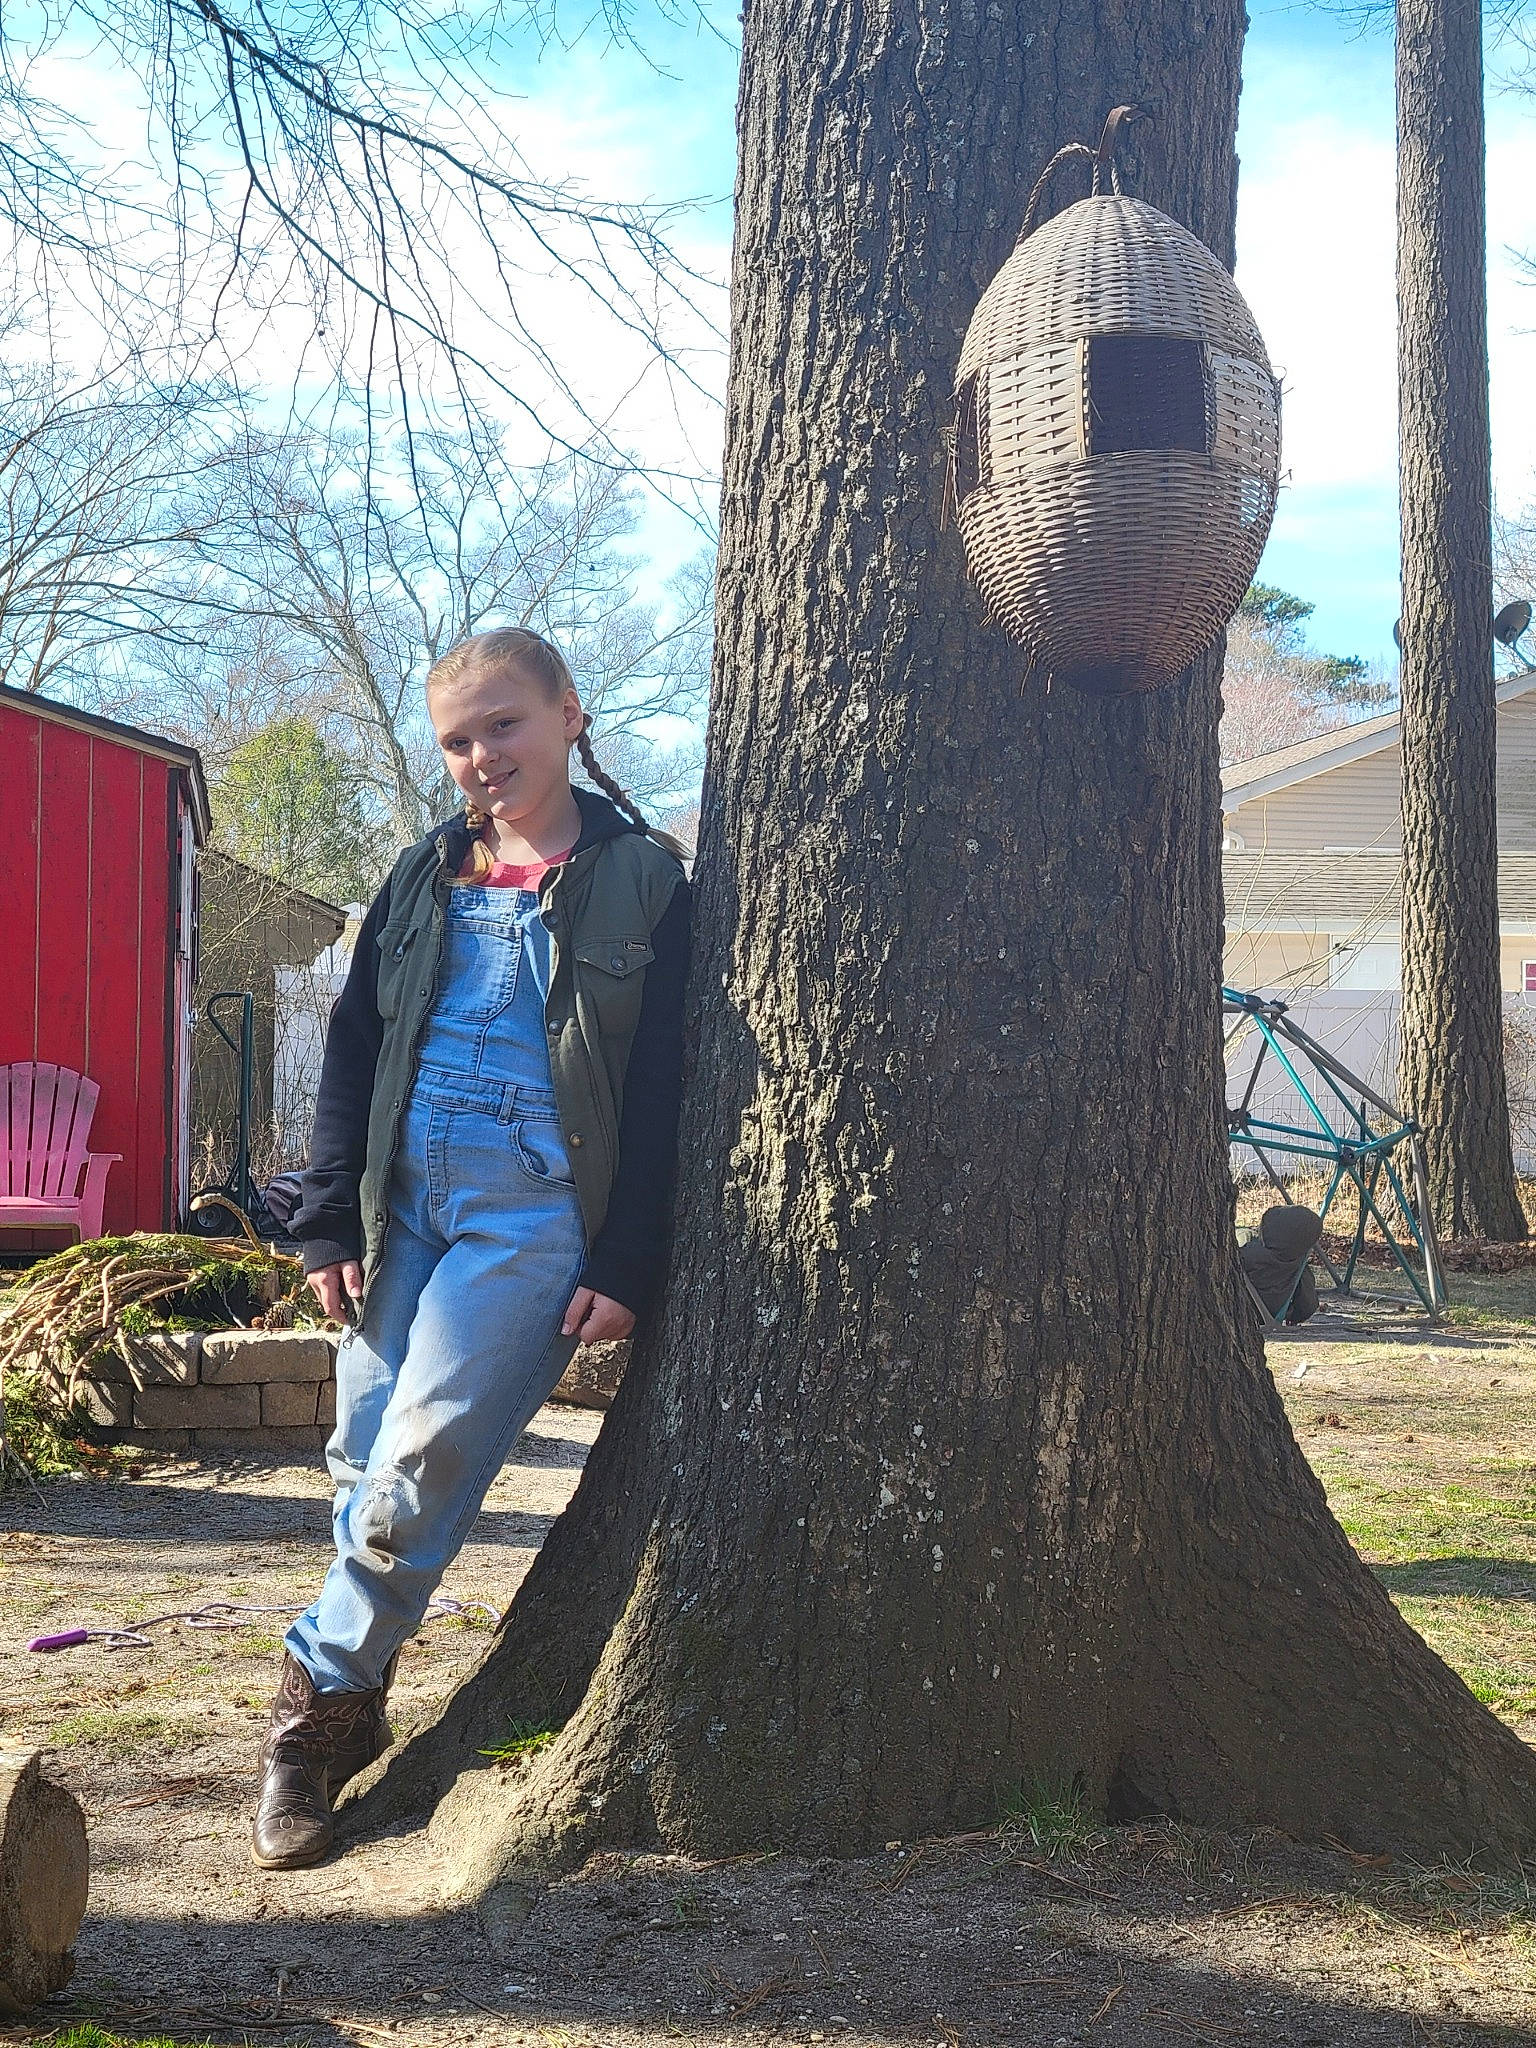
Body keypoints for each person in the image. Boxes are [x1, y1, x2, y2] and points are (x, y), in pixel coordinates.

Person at [251, 627, 691, 1870]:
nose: (482, 756)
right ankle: (362, 1696)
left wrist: (628, 1250)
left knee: (424, 1456)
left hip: (533, 1212)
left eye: (504, 723)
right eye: (457, 738)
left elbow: (662, 1084)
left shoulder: (646, 881)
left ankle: (305, 1707)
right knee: (360, 1451)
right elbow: (353, 1043)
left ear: (567, 709)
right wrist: (329, 1213)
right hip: (401, 1204)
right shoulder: (423, 872)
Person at [1238, 1203, 1322, 1326]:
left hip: (1236, 1311)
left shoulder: (1247, 1254)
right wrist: (1294, 1316)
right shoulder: (1299, 1267)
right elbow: (1308, 1305)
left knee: (1243, 1234)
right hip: (1272, 1314)